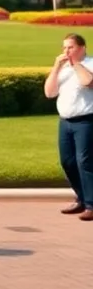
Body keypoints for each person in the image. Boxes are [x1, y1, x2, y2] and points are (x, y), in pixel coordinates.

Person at [43, 33, 93, 220]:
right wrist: (57, 67)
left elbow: (88, 82)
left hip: (86, 121)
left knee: (85, 162)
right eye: (64, 48)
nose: (66, 51)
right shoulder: (63, 69)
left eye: (70, 47)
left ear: (82, 48)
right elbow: (49, 92)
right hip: (66, 122)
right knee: (68, 162)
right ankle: (81, 198)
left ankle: (91, 204)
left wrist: (76, 64)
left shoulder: (89, 64)